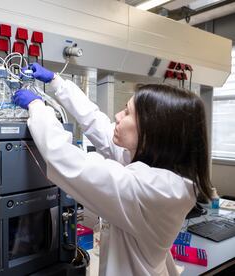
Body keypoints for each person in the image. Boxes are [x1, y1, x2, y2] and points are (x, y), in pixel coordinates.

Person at [12, 63, 213, 276]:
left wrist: (37, 106)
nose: (117, 116)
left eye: (127, 112)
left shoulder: (154, 189)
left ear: (153, 130)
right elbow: (95, 121)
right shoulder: (155, 166)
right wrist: (56, 82)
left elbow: (66, 159)